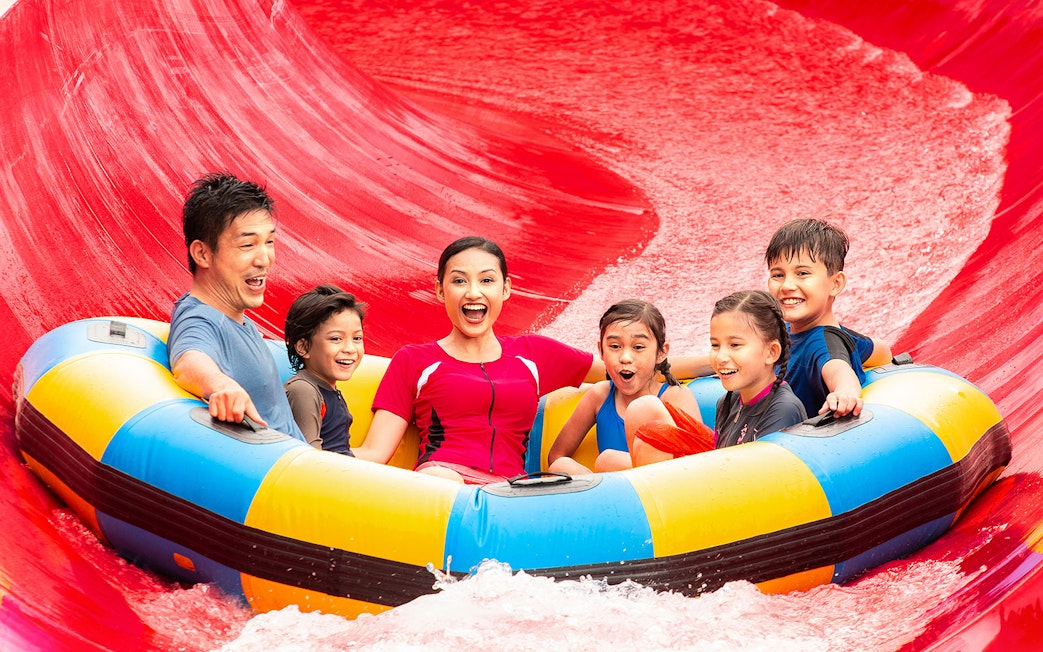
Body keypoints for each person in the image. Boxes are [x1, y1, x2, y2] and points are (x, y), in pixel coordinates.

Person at [351, 236, 606, 484]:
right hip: (442, 485)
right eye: (460, 281)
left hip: (508, 491)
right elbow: (376, 453)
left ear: (505, 289)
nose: (473, 293)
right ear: (440, 290)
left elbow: (621, 370)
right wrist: (313, 454)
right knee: (441, 479)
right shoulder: (414, 360)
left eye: (486, 280)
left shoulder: (533, 353)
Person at [167, 172, 305, 441]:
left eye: (269, 242)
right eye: (247, 244)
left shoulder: (236, 319)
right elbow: (189, 360)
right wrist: (222, 385)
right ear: (203, 254)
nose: (265, 259)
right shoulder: (200, 318)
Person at [547, 299, 705, 474]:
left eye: (638, 347)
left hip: (665, 486)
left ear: (661, 352)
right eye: (615, 346)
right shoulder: (600, 396)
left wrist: (615, 465)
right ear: (601, 350)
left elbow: (699, 463)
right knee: (560, 466)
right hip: (612, 492)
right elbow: (556, 455)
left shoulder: (676, 396)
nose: (625, 357)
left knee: (610, 459)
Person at [765, 218, 892, 417]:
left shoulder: (825, 344)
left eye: (802, 273)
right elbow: (882, 352)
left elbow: (838, 369)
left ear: (835, 283)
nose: (787, 285)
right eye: (778, 275)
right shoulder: (786, 332)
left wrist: (844, 393)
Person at [705, 290, 807, 448]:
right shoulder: (727, 403)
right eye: (715, 345)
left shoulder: (783, 410)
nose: (721, 357)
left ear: (771, 352)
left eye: (735, 345)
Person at [284, 284, 367, 454]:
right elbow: (309, 458)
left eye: (357, 338)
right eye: (336, 338)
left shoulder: (327, 388)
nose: (350, 348)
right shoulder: (304, 390)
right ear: (303, 347)